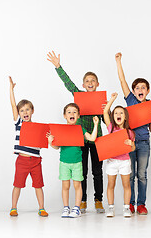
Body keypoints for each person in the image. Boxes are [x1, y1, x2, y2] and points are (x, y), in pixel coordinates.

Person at [47, 51, 105, 213]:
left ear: (97, 84)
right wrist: (58, 67)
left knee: (97, 171)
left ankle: (98, 200)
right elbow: (69, 84)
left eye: (93, 80)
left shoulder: (101, 100)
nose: (90, 82)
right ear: (84, 84)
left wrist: (106, 109)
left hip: (96, 139)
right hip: (79, 140)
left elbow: (107, 120)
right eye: (87, 81)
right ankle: (83, 201)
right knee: (83, 172)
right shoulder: (79, 96)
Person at [115, 52, 151, 215]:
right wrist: (118, 62)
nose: (140, 89)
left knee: (141, 175)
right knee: (129, 175)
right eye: (137, 88)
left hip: (143, 143)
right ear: (134, 91)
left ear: (148, 90)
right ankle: (130, 203)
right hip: (128, 143)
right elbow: (123, 81)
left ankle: (141, 204)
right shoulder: (131, 100)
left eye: (143, 87)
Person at [47, 103, 99, 218]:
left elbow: (92, 138)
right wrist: (50, 141)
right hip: (64, 162)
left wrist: (96, 125)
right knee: (65, 186)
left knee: (77, 185)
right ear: (64, 115)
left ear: (79, 116)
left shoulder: (80, 128)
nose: (72, 114)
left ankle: (76, 208)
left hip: (77, 163)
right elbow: (57, 147)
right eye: (69, 112)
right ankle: (66, 208)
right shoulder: (61, 130)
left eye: (75, 112)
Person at [9, 76, 48, 217]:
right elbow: (13, 105)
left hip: (36, 160)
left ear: (32, 111)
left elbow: (45, 142)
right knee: (18, 184)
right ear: (19, 114)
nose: (25, 112)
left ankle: (41, 208)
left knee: (38, 185)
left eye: (27, 110)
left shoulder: (38, 127)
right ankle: (13, 208)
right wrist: (11, 89)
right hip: (22, 161)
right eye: (22, 111)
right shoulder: (19, 123)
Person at [102, 93, 136, 218]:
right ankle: (111, 208)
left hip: (125, 161)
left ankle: (126, 208)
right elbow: (105, 112)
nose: (118, 115)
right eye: (116, 113)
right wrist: (112, 99)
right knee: (111, 184)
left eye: (121, 113)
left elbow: (133, 148)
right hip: (112, 161)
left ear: (125, 117)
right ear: (113, 116)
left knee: (126, 185)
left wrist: (130, 143)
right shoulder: (111, 127)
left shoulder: (130, 132)